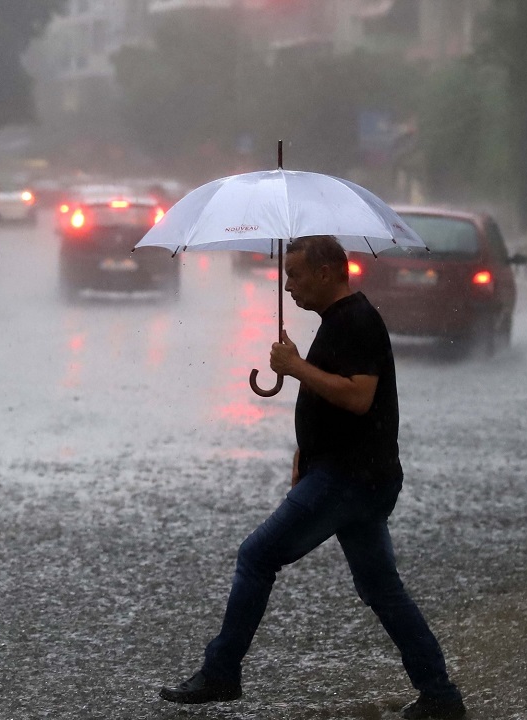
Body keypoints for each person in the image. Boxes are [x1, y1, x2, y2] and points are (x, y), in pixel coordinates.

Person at [158, 235, 466, 720]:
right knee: (381, 588)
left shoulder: (358, 321)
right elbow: (335, 400)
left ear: (326, 272)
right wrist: (307, 448)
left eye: (295, 275)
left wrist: (297, 367)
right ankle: (440, 695)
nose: (288, 286)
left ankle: (220, 673)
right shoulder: (338, 321)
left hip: (350, 478)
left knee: (256, 556)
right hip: (350, 473)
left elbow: (359, 397)